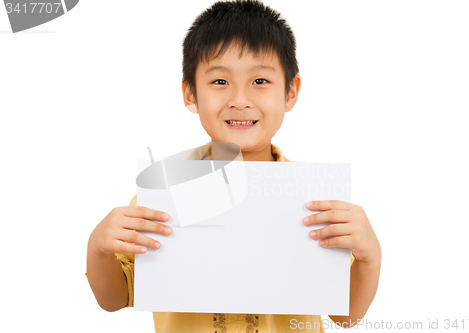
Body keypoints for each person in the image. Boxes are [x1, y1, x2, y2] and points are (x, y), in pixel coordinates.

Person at [86, 0, 382, 332]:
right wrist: (97, 248)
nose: (240, 100)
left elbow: (346, 316)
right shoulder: (161, 193)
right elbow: (114, 299)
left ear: (290, 92)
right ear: (190, 94)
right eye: (220, 82)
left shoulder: (316, 200)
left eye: (260, 81)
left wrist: (370, 256)